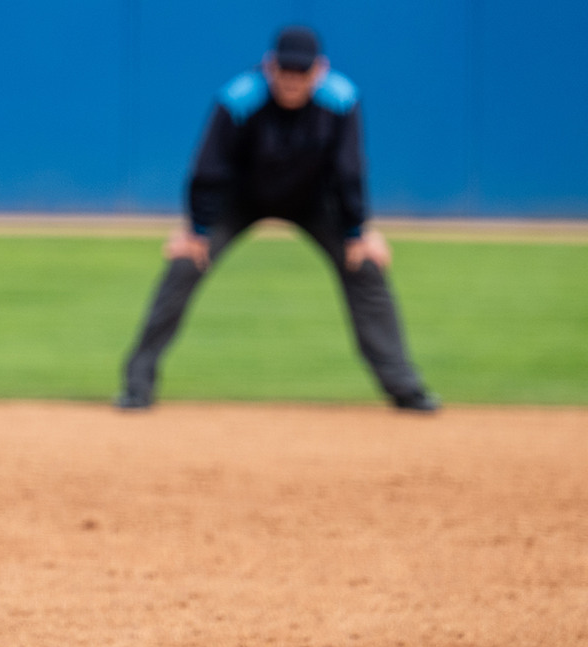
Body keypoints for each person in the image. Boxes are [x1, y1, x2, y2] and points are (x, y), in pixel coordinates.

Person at [117, 26, 437, 413]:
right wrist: (197, 230)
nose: (292, 79)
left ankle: (405, 387)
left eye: (301, 72)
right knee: (185, 262)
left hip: (314, 201)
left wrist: (358, 232)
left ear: (320, 71)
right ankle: (138, 384)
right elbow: (209, 166)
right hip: (241, 198)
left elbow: (348, 169)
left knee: (366, 265)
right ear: (269, 67)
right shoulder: (240, 97)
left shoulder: (341, 99)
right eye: (285, 70)